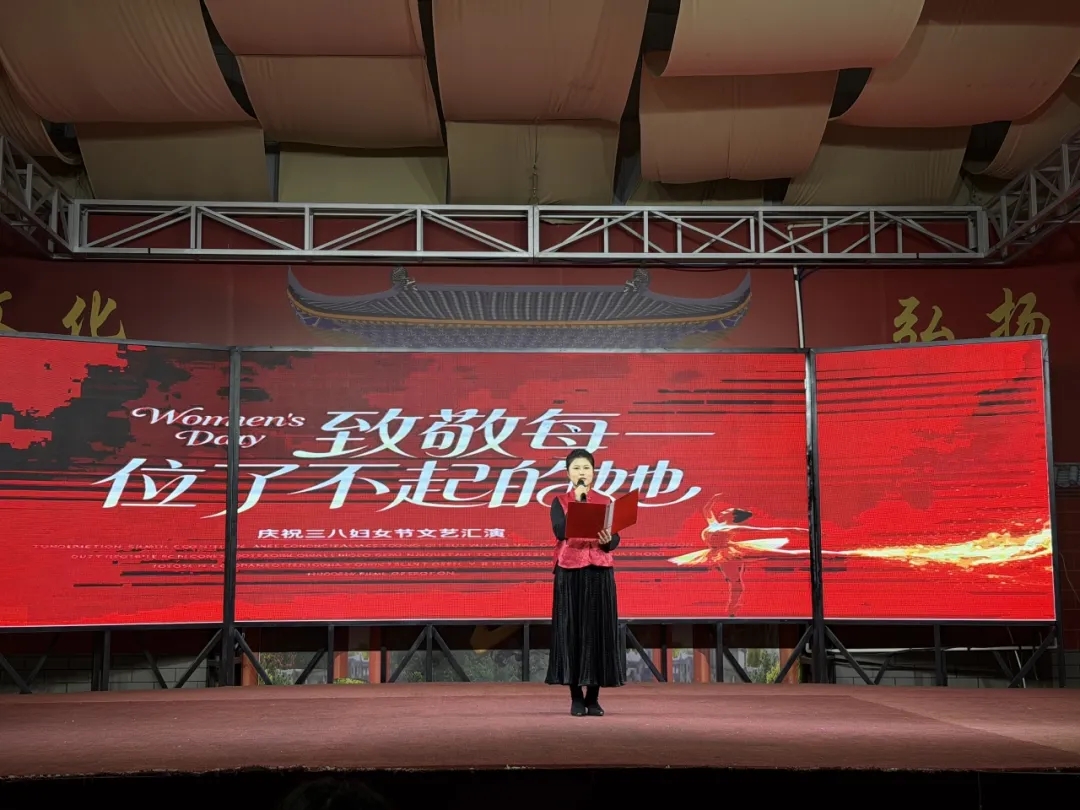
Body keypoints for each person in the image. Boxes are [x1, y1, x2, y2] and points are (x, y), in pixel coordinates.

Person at [545, 448, 626, 716]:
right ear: (568, 473)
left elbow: (614, 541)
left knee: (598, 633)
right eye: (577, 468)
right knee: (572, 632)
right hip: (570, 573)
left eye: (586, 468)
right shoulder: (560, 501)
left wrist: (608, 539)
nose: (582, 472)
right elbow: (560, 531)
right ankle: (575, 697)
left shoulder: (606, 501)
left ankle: (593, 697)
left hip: (599, 573)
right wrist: (579, 503)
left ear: (594, 472)